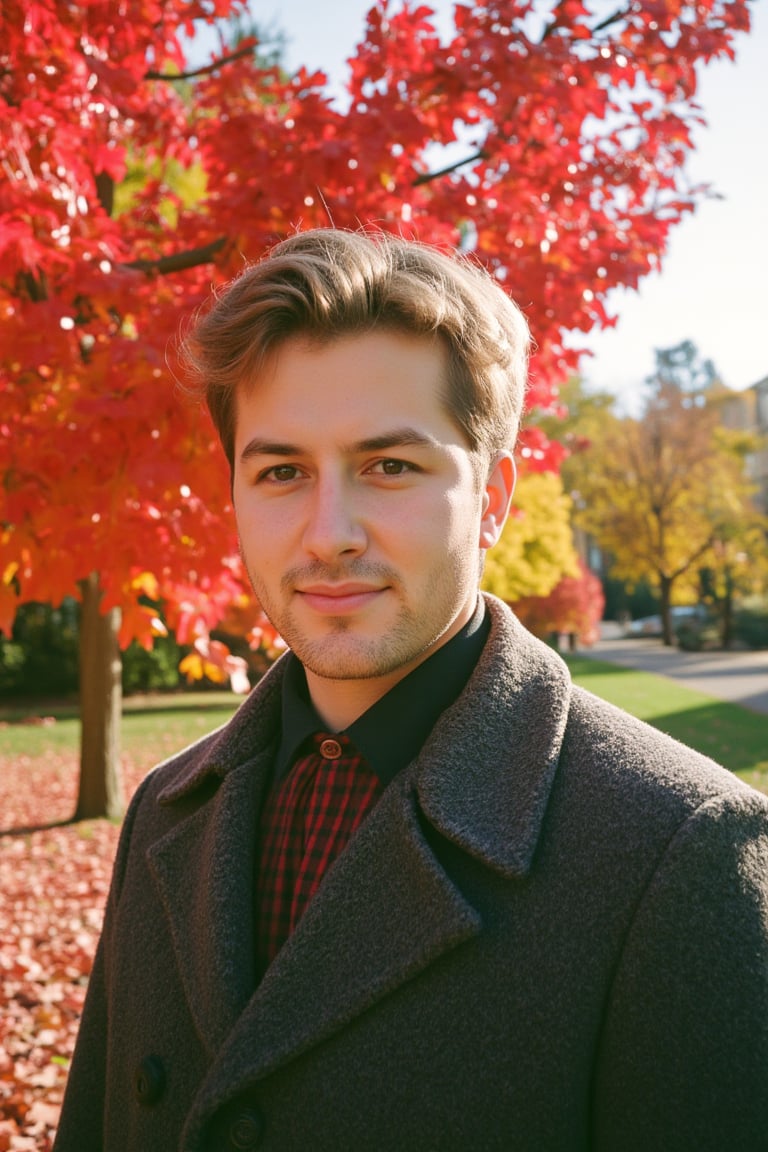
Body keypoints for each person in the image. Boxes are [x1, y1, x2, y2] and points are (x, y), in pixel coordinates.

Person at [54, 229, 768, 1152]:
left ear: (496, 496)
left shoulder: (683, 851)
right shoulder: (166, 810)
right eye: (281, 472)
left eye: (390, 465)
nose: (329, 532)